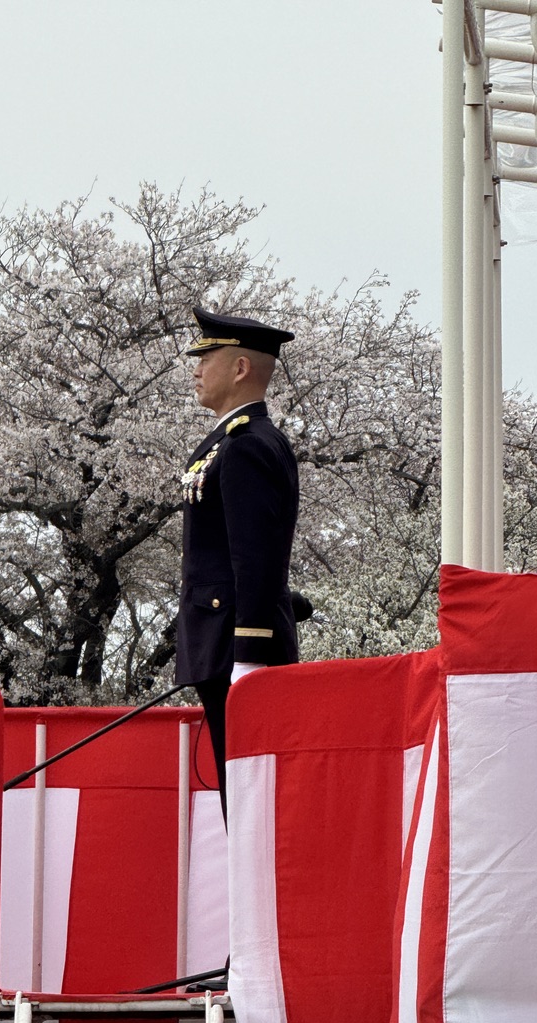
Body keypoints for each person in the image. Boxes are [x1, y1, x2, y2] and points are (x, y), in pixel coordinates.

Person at [176, 305, 300, 820]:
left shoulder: (247, 446)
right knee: (240, 798)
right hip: (222, 642)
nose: (196, 369)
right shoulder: (231, 442)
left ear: (241, 368)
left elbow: (255, 557)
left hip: (237, 650)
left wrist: (249, 654)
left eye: (208, 357)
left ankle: (254, 902)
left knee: (250, 804)